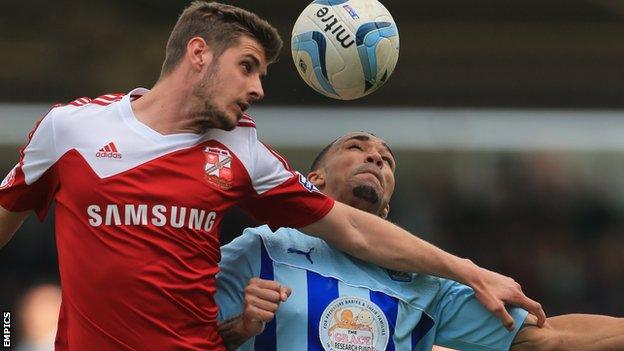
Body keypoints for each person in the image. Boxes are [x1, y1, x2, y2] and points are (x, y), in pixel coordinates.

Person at [0, 2, 543, 350]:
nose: (259, 88)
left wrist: (469, 271)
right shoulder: (69, 129)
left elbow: (352, 228)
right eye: (248, 66)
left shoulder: (244, 153)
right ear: (198, 54)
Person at [215, 131, 624, 351]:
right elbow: (171, 335)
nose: (374, 157)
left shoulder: (423, 281)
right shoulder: (257, 250)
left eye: (386, 160)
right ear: (313, 180)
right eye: (355, 148)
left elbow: (546, 339)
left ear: (388, 209)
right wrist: (237, 330)